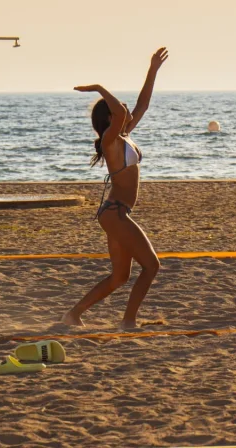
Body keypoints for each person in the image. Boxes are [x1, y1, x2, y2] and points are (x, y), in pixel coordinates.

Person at [62, 47, 168, 328]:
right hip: (116, 213)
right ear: (110, 118)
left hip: (117, 213)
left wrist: (152, 70)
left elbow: (142, 105)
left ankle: (73, 314)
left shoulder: (123, 136)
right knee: (152, 266)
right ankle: (128, 321)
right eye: (118, 109)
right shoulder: (110, 140)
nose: (124, 110)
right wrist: (99, 88)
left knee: (120, 276)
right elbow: (121, 112)